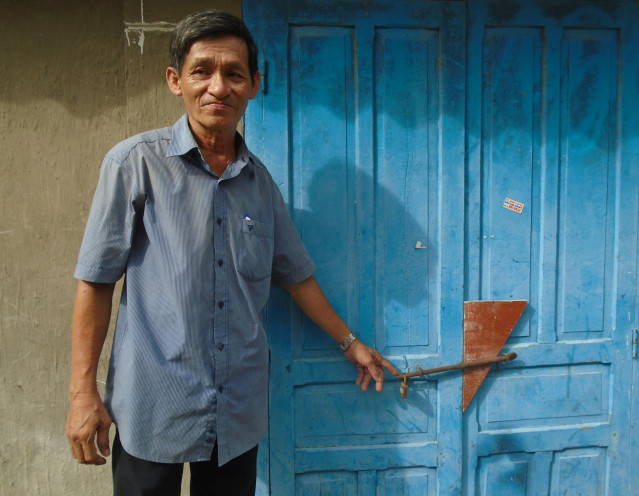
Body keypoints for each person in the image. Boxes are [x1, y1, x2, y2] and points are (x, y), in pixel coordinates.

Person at [65, 10, 399, 496]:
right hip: (152, 405)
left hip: (236, 410)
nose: (218, 87)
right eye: (202, 71)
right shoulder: (134, 164)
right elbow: (95, 282)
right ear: (175, 80)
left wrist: (350, 342)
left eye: (234, 74)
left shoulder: (259, 183)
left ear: (254, 85)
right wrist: (82, 392)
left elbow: (296, 274)